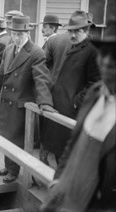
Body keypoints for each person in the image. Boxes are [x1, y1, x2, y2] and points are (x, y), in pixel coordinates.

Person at [41, 17, 116, 212]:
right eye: (105, 54)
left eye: (115, 56)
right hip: (72, 196)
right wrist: (57, 183)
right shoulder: (95, 95)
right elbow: (73, 145)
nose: (107, 62)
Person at [0, 16, 55, 183]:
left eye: (21, 34)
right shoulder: (8, 49)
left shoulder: (36, 52)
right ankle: (9, 165)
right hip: (5, 101)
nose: (17, 37)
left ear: (28, 33)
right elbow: (1, 75)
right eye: (14, 33)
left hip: (20, 104)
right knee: (6, 138)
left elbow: (42, 80)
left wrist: (45, 103)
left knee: (16, 140)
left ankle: (14, 171)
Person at [41, 10, 101, 161]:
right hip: (60, 109)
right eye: (70, 31)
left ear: (87, 30)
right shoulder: (74, 46)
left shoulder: (93, 51)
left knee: (68, 158)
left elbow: (96, 84)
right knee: (59, 154)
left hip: (74, 114)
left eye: (77, 31)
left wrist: (75, 102)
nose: (72, 35)